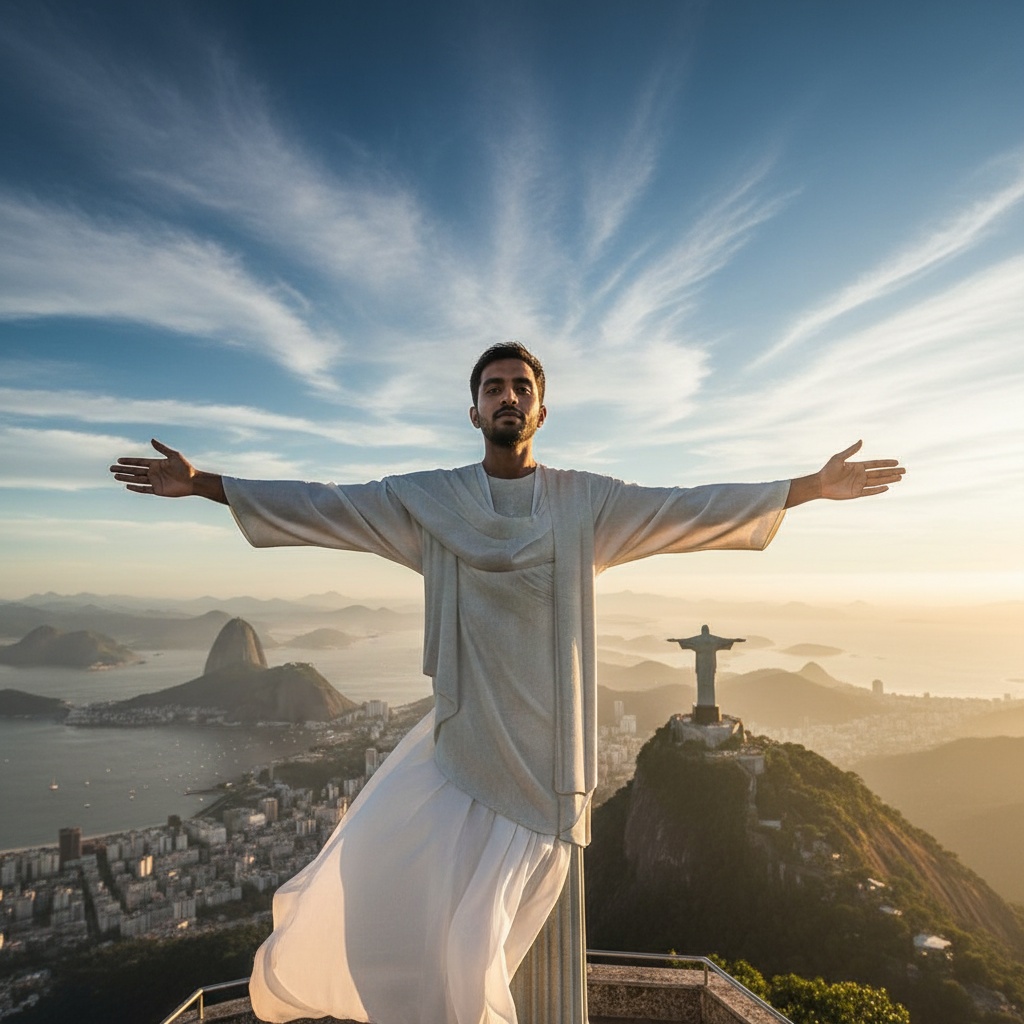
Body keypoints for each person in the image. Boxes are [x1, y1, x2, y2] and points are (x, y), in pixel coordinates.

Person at [109, 342, 905, 1024]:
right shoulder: (429, 501)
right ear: (474, 410)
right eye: (494, 387)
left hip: (550, 758)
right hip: (458, 741)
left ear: (542, 411)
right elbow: (327, 506)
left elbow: (686, 509)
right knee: (390, 905)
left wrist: (806, 487)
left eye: (523, 387)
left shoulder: (584, 504)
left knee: (491, 935)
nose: (509, 397)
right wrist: (207, 483)